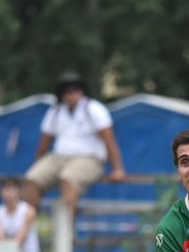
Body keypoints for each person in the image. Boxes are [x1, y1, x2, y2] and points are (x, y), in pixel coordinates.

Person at [22, 71, 126, 212]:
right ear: (61, 93)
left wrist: (117, 169)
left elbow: (109, 140)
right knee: (32, 180)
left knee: (68, 179)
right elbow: (44, 143)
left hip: (89, 158)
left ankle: (66, 231)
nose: (71, 94)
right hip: (58, 156)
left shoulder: (94, 109)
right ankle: (31, 227)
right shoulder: (55, 111)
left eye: (75, 90)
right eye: (66, 91)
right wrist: (38, 164)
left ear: (82, 91)